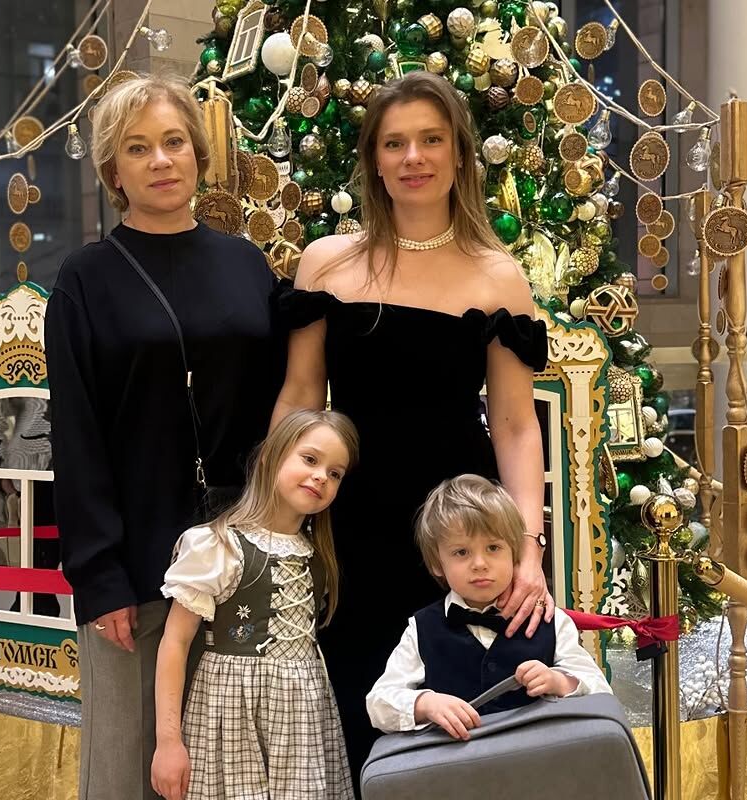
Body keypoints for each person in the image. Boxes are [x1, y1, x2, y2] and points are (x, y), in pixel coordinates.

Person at [272, 70, 551, 771]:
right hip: (349, 526)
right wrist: (272, 522)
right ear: (373, 160)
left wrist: (528, 550)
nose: (413, 157)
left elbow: (516, 426)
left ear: (459, 152)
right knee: (358, 705)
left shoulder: (498, 275)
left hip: (460, 530)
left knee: (463, 718)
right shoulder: (326, 263)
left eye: (431, 139)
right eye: (394, 143)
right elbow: (300, 398)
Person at [45, 74, 284, 800]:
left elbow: (282, 406)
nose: (160, 160)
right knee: (128, 768)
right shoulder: (85, 280)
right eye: (137, 148)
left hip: (244, 556)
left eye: (174, 141)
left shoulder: (245, 265)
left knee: (238, 767)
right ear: (113, 171)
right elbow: (77, 435)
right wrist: (99, 575)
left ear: (198, 153)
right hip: (137, 565)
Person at [151, 409, 359, 800]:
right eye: (310, 459)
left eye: (335, 473)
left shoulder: (317, 557)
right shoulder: (217, 545)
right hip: (230, 717)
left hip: (302, 724)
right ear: (270, 457)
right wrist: (168, 742)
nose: (321, 476)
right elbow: (175, 643)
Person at [367, 475, 611, 738]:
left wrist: (560, 681)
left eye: (493, 547)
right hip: (458, 762)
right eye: (461, 552)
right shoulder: (421, 628)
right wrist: (425, 704)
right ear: (437, 563)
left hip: (541, 758)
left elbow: (600, 690)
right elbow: (379, 704)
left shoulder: (552, 621)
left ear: (515, 552)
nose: (480, 564)